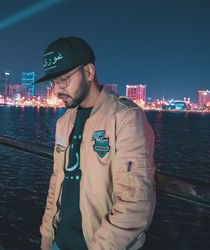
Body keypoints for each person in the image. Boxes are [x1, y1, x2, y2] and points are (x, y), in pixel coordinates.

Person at [35, 36, 156, 250]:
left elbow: (135, 203)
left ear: (89, 72)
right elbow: (57, 182)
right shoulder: (64, 122)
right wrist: (46, 236)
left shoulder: (125, 117)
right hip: (59, 242)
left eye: (63, 79)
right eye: (54, 82)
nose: (57, 89)